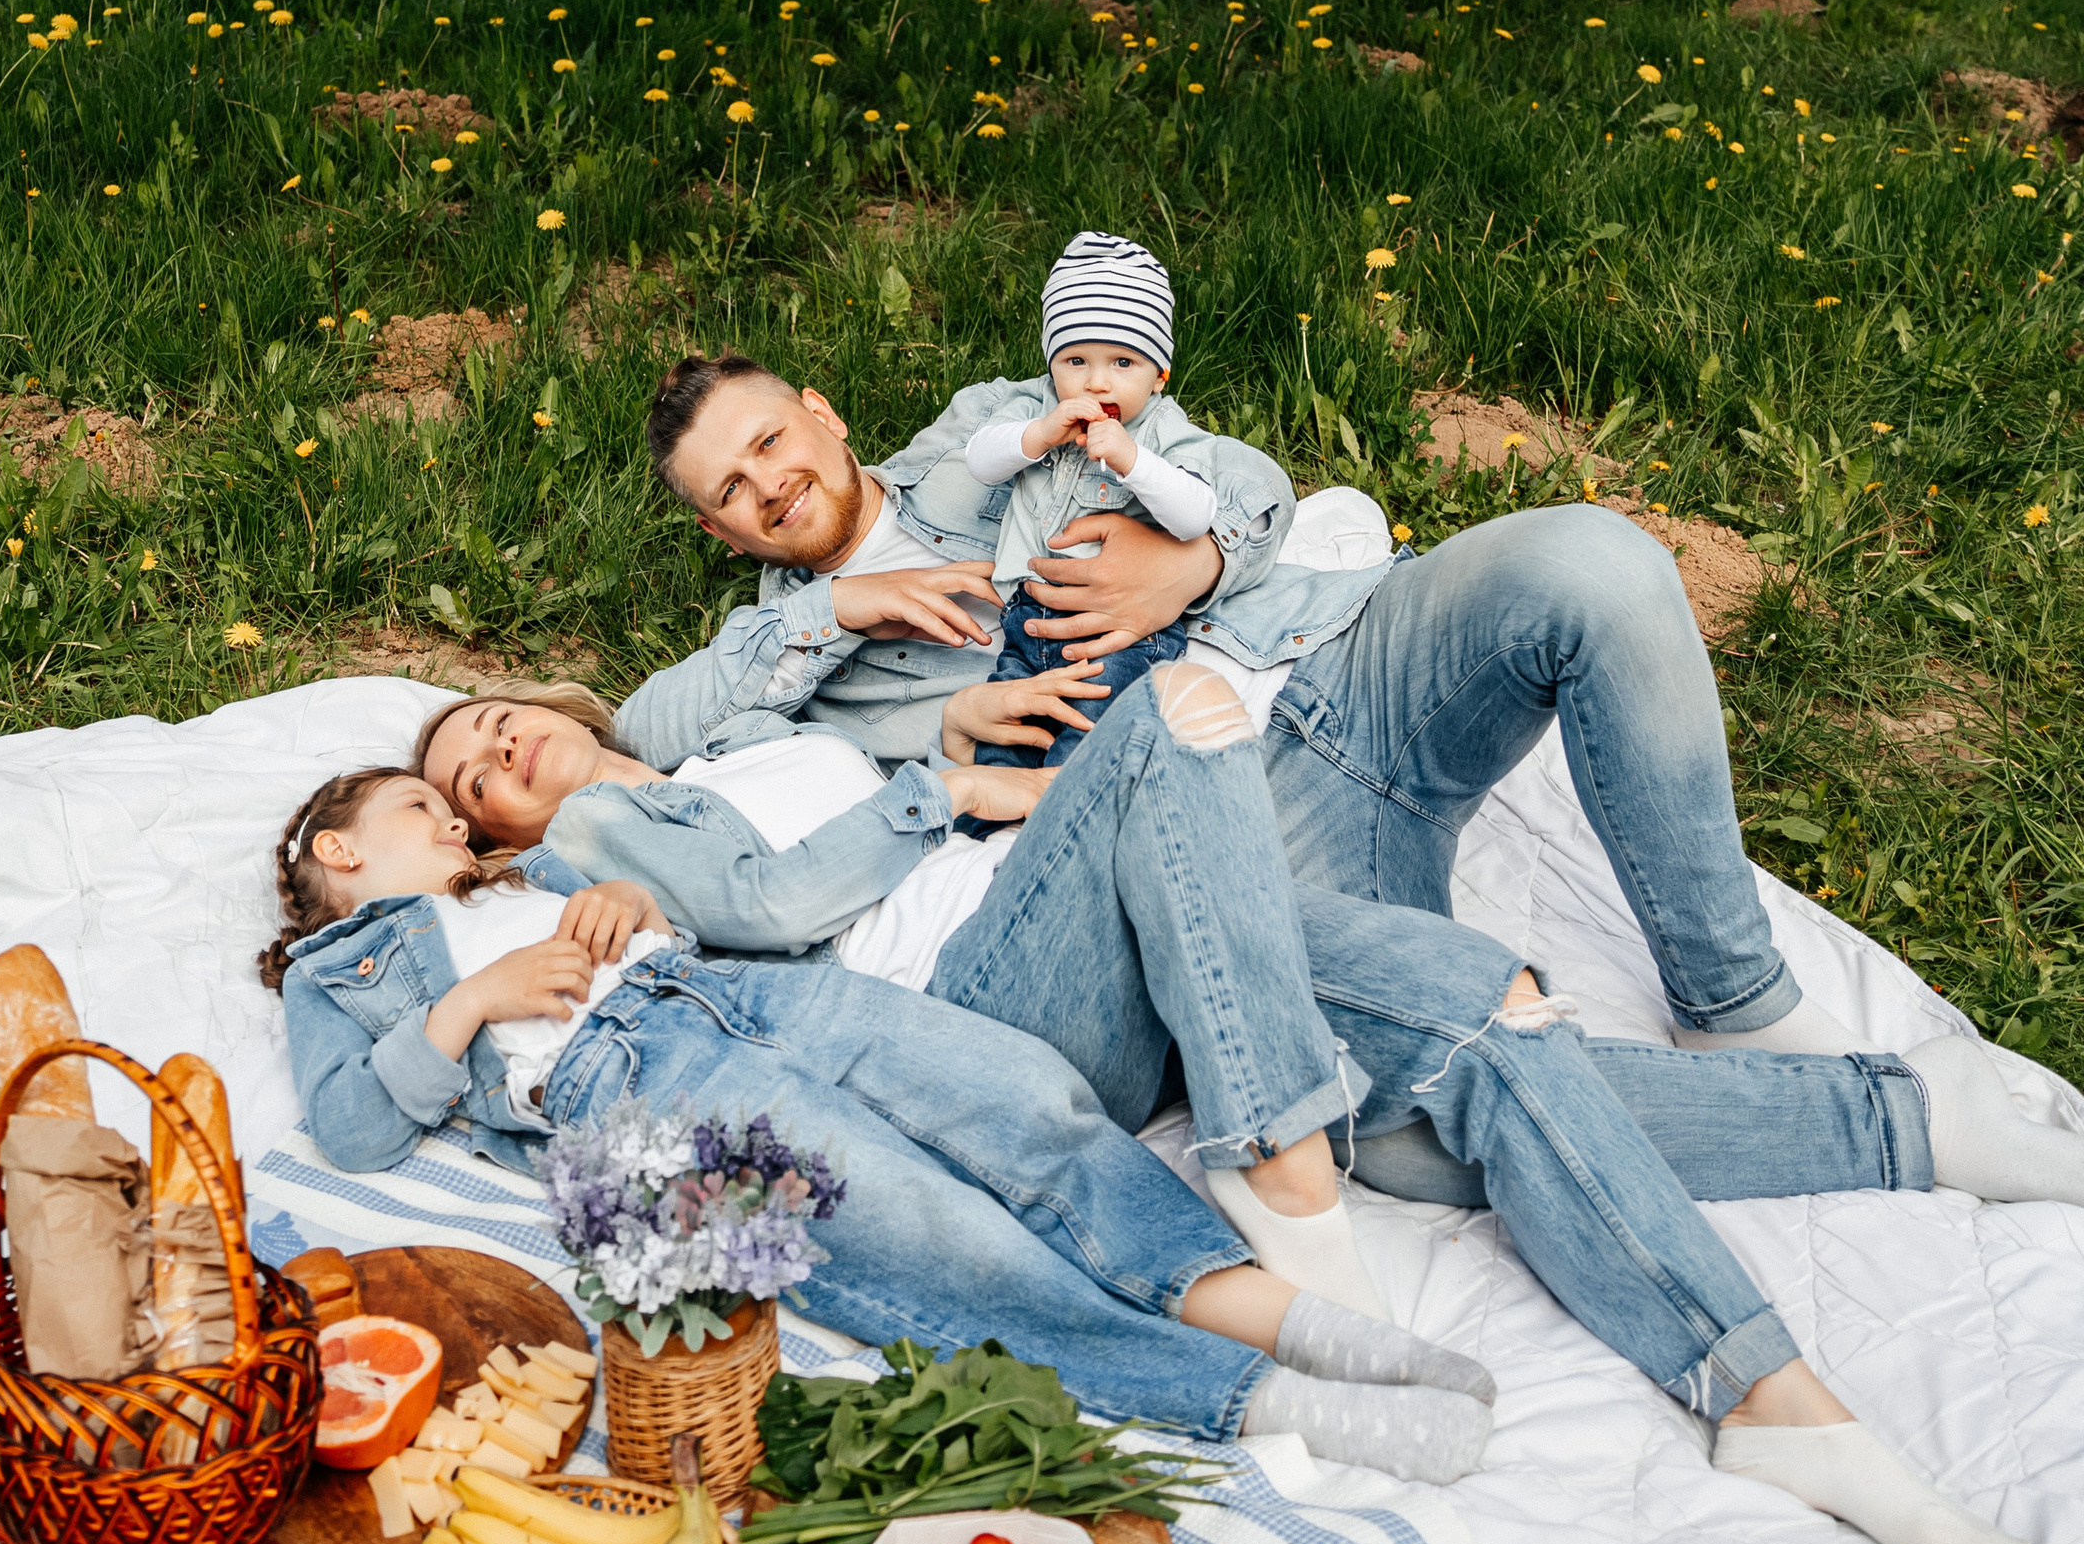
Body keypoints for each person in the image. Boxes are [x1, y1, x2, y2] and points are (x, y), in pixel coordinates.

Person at [420, 665, 2067, 1544]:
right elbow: (754, 916)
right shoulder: (587, 868)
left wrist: (937, 752)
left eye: (500, 719)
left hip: (1118, 923)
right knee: (1189, 742)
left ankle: (1804, 1325)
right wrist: (935, 797)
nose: (503, 757)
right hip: (991, 1004)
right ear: (488, 842)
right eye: (475, 780)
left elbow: (798, 678)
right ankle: (1289, 1184)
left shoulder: (744, 738)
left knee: (1468, 1040)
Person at [619, 349, 1862, 1071]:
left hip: (1334, 674)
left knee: (1593, 562)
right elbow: (649, 734)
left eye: (772, 440)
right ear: (716, 533)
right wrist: (836, 611)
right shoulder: (778, 669)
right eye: (730, 490)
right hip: (1238, 839)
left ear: (823, 417)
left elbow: (1246, 476)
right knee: (1432, 1096)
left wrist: (1196, 561)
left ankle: (1732, 999)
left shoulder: (998, 429)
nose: (770, 485)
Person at [261, 760, 1505, 1479]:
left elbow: (663, 911)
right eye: (420, 807)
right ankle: (1266, 1401)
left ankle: (1310, 1325)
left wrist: (628, 897)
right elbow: (353, 1129)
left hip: (738, 991)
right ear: (341, 846)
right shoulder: (339, 974)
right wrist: (469, 1002)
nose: (453, 821)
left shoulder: (527, 874)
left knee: (1022, 1101)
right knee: (914, 1224)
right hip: (627, 1087)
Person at [955, 228, 1266, 765]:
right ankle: (990, 835)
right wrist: (1040, 434)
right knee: (1006, 739)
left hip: (1121, 633)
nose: (1096, 383)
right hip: (1027, 623)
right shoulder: (1036, 407)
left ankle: (1067, 814)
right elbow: (981, 460)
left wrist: (1133, 462)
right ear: (1052, 360)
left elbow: (1195, 516)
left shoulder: (1165, 431)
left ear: (1159, 375)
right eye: (1075, 360)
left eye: (1123, 363)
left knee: (1087, 743)